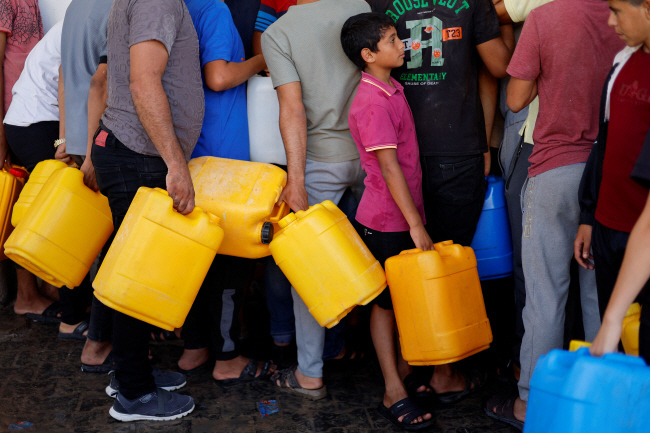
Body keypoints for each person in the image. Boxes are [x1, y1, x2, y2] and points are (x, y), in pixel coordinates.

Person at [485, 0, 623, 429]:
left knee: (545, 294)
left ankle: (529, 403)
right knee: (600, 293)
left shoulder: (545, 17)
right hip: (612, 171)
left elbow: (516, 96)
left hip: (557, 168)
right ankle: (599, 400)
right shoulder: (628, 17)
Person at [367, 0, 513, 404]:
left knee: (401, 267)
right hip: (456, 149)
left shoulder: (378, 2)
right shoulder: (476, 2)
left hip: (398, 153)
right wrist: (516, 18)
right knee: (447, 262)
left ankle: (406, 364)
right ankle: (444, 372)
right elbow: (499, 68)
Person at [92, 0, 204, 421]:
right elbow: (143, 81)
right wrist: (176, 164)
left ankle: (130, 374)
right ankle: (134, 395)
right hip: (140, 155)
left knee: (133, 269)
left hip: (132, 151)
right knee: (136, 276)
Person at [261, 0, 370, 400]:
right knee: (370, 256)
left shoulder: (279, 32)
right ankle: (382, 360)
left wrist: (296, 178)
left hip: (323, 161)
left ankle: (310, 372)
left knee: (311, 268)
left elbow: (291, 108)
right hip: (374, 156)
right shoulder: (361, 6)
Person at [341, 12, 434, 430]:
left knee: (400, 300)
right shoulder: (371, 100)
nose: (403, 44)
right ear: (368, 54)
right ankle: (392, 389)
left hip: (402, 214)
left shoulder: (391, 87)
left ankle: (405, 373)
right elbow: (390, 168)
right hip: (386, 219)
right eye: (393, 39)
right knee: (385, 305)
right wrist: (415, 224)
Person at [178, 0, 274, 384]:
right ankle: (227, 358)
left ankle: (193, 347)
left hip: (187, 150)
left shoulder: (176, 7)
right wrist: (258, 59)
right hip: (221, 152)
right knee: (227, 261)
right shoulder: (214, 10)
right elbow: (218, 77)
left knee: (193, 257)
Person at [577, 0, 650, 363]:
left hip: (645, 233)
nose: (610, 20)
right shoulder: (623, 61)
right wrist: (589, 215)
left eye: (618, 10)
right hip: (608, 227)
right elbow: (603, 143)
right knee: (617, 352)